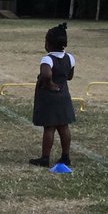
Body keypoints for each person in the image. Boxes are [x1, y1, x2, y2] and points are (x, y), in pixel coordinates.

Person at [29, 22, 75, 168]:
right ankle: (66, 156)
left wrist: (48, 83)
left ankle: (45, 158)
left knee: (49, 128)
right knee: (64, 127)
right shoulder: (70, 58)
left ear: (48, 44)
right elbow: (70, 76)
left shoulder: (47, 59)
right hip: (64, 95)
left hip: (50, 97)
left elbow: (46, 73)